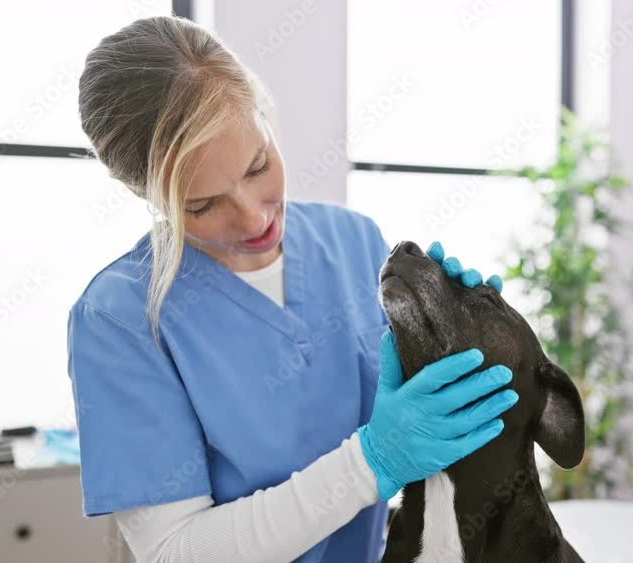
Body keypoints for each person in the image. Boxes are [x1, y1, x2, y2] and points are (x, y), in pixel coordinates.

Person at [66, 15, 518, 563]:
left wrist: (464, 333)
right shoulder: (120, 318)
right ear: (145, 193)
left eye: (259, 166)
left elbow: (423, 427)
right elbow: (173, 552)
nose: (255, 218)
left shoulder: (353, 241)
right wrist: (369, 463)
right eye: (203, 205)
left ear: (263, 113)